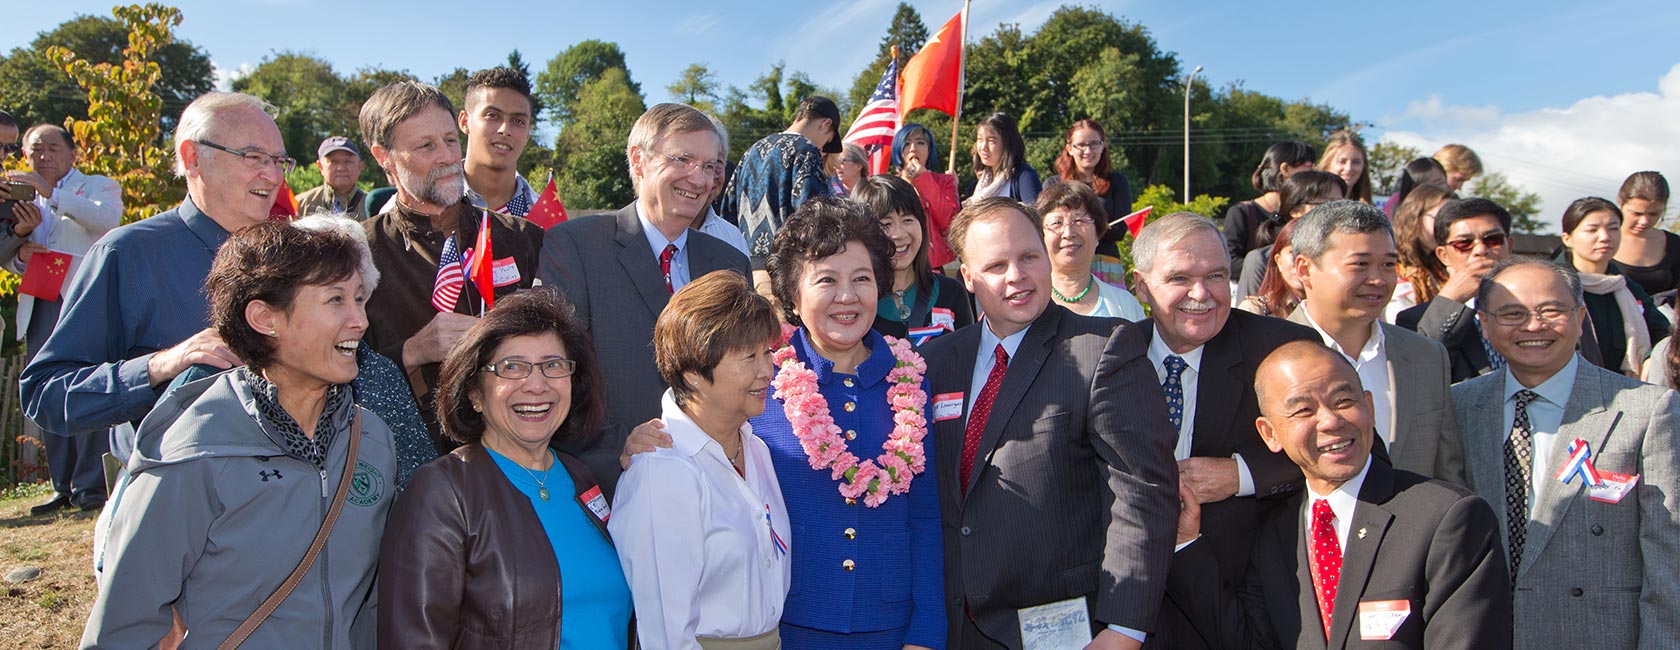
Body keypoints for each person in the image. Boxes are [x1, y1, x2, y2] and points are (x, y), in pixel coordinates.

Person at [81, 222, 397, 648]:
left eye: (360, 299)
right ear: (265, 318)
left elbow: (374, 604)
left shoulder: (372, 439)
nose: (359, 320)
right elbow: (124, 624)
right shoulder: (193, 450)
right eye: (335, 300)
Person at [922, 197, 1178, 649]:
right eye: (996, 265)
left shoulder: (1104, 350)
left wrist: (1123, 629)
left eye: (1028, 257)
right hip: (952, 629)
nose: (1017, 276)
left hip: (1064, 630)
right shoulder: (936, 362)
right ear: (967, 277)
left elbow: (1142, 496)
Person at [1166, 340, 1511, 649]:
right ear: (1269, 433)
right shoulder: (1275, 530)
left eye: (1344, 400)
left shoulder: (1445, 518)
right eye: (1303, 410)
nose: (1330, 421)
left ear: (1370, 408)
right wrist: (1185, 544)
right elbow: (1247, 641)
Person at [21, 92, 283, 467]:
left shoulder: (293, 257)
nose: (272, 176)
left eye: (278, 161)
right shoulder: (128, 255)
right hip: (177, 505)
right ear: (193, 158)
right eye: (254, 157)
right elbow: (45, 394)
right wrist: (159, 367)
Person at [380, 290, 630, 649]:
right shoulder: (443, 493)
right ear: (474, 393)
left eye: (553, 365)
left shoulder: (581, 478)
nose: (536, 383)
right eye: (511, 367)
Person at [1453, 257, 1680, 649]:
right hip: (1488, 633)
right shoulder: (1457, 406)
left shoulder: (1647, 409)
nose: (1533, 325)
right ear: (1485, 324)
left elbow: (1668, 554)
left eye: (1551, 310)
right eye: (1512, 313)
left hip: (1600, 635)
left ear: (1580, 317)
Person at [1126, 214, 1319, 649]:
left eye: (1215, 275)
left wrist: (1240, 475)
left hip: (1238, 607)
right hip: (1124, 604)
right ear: (1141, 286)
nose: (1201, 294)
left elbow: (1347, 451)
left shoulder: (1283, 348)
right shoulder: (1110, 352)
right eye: (1179, 277)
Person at [540, 102, 751, 494]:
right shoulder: (576, 247)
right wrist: (616, 447)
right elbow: (557, 373)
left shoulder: (730, 263)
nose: (699, 178)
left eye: (709, 166)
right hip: (615, 486)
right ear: (639, 161)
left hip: (718, 486)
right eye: (684, 159)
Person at [358, 81, 544, 446]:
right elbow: (332, 375)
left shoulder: (523, 238)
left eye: (449, 140)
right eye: (426, 146)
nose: (446, 156)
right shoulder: (357, 251)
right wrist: (412, 352)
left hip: (517, 452)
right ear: (384, 157)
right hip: (409, 462)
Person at [612, 271, 790, 649]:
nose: (766, 370)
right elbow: (665, 634)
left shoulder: (754, 447)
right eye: (748, 357)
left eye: (767, 353)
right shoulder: (662, 472)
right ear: (692, 373)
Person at [1285, 201, 1465, 484]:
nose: (1378, 280)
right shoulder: (1264, 353)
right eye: (1361, 264)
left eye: (1388, 265)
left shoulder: (1426, 356)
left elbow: (1448, 472)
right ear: (1305, 270)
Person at [3, 124, 123, 513]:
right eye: (35, 149)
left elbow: (107, 221)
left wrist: (52, 193)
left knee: (88, 386)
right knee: (47, 390)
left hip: (85, 301)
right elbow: (10, 251)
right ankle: (62, 485)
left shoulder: (97, 186)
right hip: (40, 302)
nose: (43, 157)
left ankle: (91, 484)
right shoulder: (16, 195)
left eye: (53, 148)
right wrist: (19, 257)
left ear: (73, 153)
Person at [1395, 198, 1514, 384]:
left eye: (1493, 240)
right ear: (1443, 255)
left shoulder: (1541, 307)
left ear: (1509, 246)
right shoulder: (1416, 320)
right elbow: (1419, 371)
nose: (1481, 250)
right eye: (1464, 243)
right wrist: (1451, 298)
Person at [723, 95, 839, 277]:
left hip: (744, 271)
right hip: (785, 273)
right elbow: (815, 216)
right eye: (829, 140)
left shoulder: (752, 150)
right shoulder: (806, 150)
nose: (824, 148)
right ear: (826, 124)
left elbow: (728, 208)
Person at [1556, 196, 1670, 377]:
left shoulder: (1627, 287)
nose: (1605, 237)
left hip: (1628, 391)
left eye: (1613, 228)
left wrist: (1651, 359)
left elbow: (1663, 333)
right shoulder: (1553, 285)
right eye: (1592, 230)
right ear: (1567, 238)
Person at [857, 174, 973, 344]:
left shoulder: (952, 292)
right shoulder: (853, 301)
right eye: (886, 224)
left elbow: (967, 361)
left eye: (907, 220)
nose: (899, 234)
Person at [1037, 180, 1145, 320]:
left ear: (1097, 234)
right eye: (1056, 223)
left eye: (1079, 220)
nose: (1068, 233)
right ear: (1041, 236)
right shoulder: (1026, 304)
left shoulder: (1124, 305)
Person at [1046, 119, 1135, 284]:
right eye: (1081, 145)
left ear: (1102, 146)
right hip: (1065, 262)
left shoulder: (1117, 182)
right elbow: (1048, 226)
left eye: (1094, 144)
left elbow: (1120, 231)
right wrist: (1100, 226)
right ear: (1070, 149)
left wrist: (1078, 226)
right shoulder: (1053, 185)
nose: (1088, 150)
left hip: (1105, 262)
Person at [1235, 170, 1345, 299]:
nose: (1338, 212)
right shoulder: (1261, 260)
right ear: (1295, 210)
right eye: (1328, 204)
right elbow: (1248, 315)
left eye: (1342, 204)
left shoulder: (1347, 257)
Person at [1224, 141, 1315, 276]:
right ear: (1285, 169)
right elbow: (1229, 262)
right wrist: (1276, 265)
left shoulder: (1302, 213)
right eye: (1308, 168)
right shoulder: (1242, 212)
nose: (1313, 176)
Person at [460, 66, 539, 216]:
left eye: (518, 121)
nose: (505, 129)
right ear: (465, 122)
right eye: (492, 115)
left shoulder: (544, 220)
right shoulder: (428, 204)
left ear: (528, 133)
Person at [892, 123, 959, 269]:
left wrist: (923, 178)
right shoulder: (890, 185)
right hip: (900, 266)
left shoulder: (945, 181)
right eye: (907, 143)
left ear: (929, 150)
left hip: (937, 267)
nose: (913, 148)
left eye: (920, 142)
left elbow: (950, 223)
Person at [1389, 183, 1457, 318]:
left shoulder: (1443, 268)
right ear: (1415, 216)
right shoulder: (1390, 264)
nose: (1447, 227)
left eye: (1453, 221)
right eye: (1440, 218)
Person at [692, 114, 751, 256]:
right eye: (685, 160)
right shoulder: (643, 236)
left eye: (716, 162)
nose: (704, 178)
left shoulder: (732, 238)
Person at [1611, 171, 1677, 296]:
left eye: (1654, 214)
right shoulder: (1596, 239)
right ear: (1620, 202)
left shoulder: (1675, 246)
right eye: (1637, 213)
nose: (1644, 221)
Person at [1236, 219, 1305, 319]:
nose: (1301, 263)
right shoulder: (1256, 311)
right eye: (1294, 253)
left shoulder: (1332, 311)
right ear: (1279, 261)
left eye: (1311, 254)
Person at [967, 112, 1040, 205]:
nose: (983, 147)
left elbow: (1036, 215)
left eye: (991, 141)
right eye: (980, 139)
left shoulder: (1023, 176)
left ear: (1007, 143)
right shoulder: (976, 187)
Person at [294, 136, 368, 220]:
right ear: (320, 167)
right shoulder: (301, 204)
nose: (340, 168)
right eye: (333, 162)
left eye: (348, 161)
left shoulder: (373, 205)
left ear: (360, 167)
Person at [1318, 129, 1373, 204]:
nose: (1348, 168)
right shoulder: (1310, 204)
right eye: (1342, 161)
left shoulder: (1369, 210)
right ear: (1327, 164)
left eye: (1356, 162)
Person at [1381, 157, 1447, 219]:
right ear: (1416, 189)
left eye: (1445, 182)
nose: (1444, 188)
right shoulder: (1395, 217)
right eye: (1438, 184)